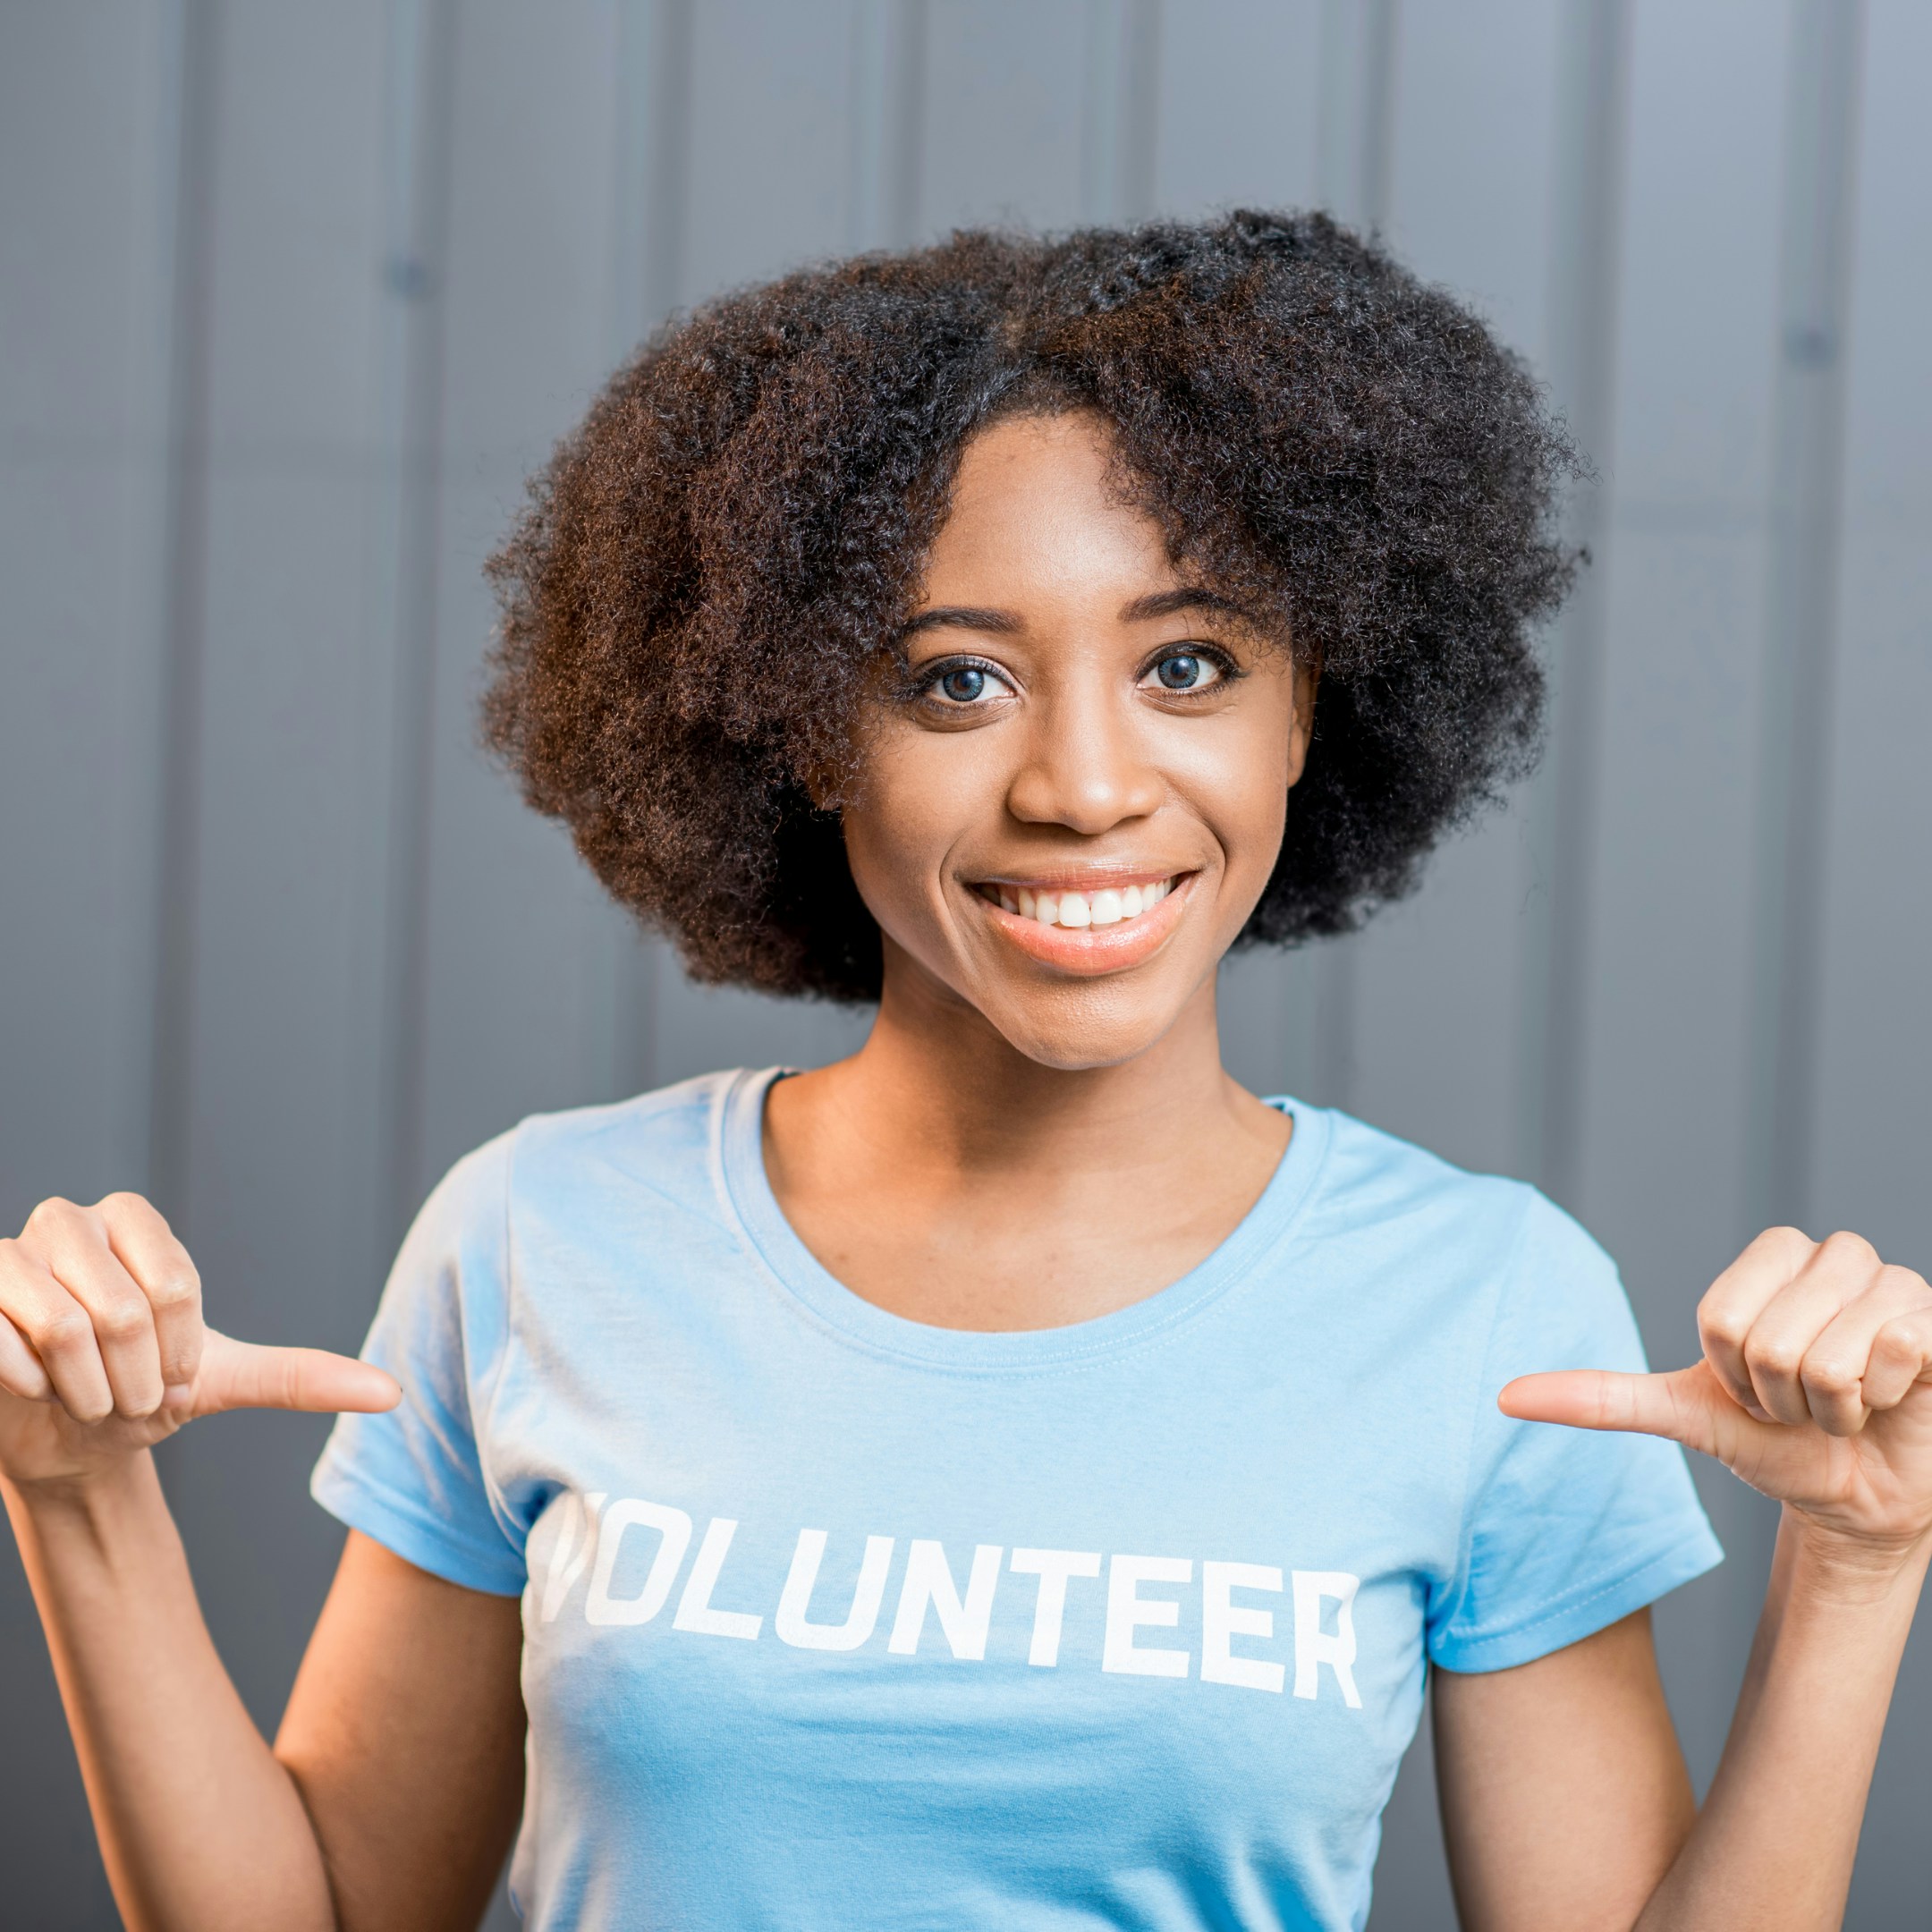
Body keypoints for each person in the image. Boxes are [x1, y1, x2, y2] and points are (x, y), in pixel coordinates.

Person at [2, 213, 1928, 1932]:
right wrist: (76, 1496)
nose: (1086, 785)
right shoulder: (539, 1236)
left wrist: (1858, 1564)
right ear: (800, 726)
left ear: (1307, 709)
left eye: (1188, 666)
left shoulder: (1487, 1307)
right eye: (954, 678)